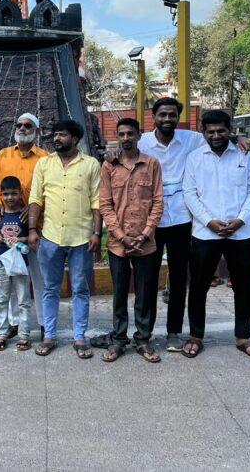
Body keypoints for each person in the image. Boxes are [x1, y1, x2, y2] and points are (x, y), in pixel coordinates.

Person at [138, 97, 250, 353]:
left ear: (177, 118)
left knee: (180, 279)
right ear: (153, 117)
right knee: (147, 280)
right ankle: (144, 333)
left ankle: (174, 333)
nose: (167, 119)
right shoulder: (142, 141)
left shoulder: (191, 139)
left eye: (172, 115)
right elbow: (122, 149)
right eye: (162, 115)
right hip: (150, 221)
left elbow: (219, 137)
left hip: (181, 219)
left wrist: (240, 139)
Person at [182, 110, 250, 360]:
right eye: (210, 131)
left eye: (221, 131)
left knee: (243, 287)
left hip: (240, 234)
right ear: (203, 131)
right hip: (205, 234)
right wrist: (210, 222)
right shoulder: (195, 157)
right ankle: (196, 336)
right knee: (197, 288)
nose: (216, 135)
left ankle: (243, 337)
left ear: (229, 130)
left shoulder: (246, 154)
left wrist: (240, 220)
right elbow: (189, 193)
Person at [28, 119, 101, 358]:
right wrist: (31, 230)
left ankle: (80, 338)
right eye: (55, 134)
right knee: (50, 288)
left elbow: (96, 202)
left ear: (75, 139)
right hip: (50, 237)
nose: (57, 138)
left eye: (62, 135)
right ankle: (49, 335)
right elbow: (36, 199)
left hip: (81, 237)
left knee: (80, 289)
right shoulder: (44, 164)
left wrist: (97, 233)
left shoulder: (90, 165)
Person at [95, 117, 164, 363]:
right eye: (121, 134)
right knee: (120, 293)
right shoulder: (109, 166)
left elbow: (157, 202)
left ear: (138, 135)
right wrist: (122, 236)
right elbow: (105, 204)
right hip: (117, 244)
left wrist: (145, 234)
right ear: (117, 136)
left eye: (130, 134)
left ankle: (143, 339)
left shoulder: (152, 164)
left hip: (146, 243)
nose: (126, 138)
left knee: (145, 294)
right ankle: (119, 340)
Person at [0, 113, 49, 338]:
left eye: (28, 126)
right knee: (12, 278)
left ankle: (45, 323)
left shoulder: (45, 158)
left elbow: (49, 189)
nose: (22, 128)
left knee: (39, 277)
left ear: (37, 131)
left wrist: (34, 208)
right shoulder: (3, 155)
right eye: (19, 125)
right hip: (9, 229)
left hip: (37, 228)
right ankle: (15, 324)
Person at [0, 176, 32, 352]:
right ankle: (2, 332)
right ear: (1, 195)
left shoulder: (24, 215)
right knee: (1, 300)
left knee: (23, 300)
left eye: (14, 194)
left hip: (20, 265)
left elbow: (31, 238)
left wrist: (20, 239)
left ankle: (24, 334)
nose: (10, 198)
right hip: (1, 264)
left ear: (20, 193)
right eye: (6, 194)